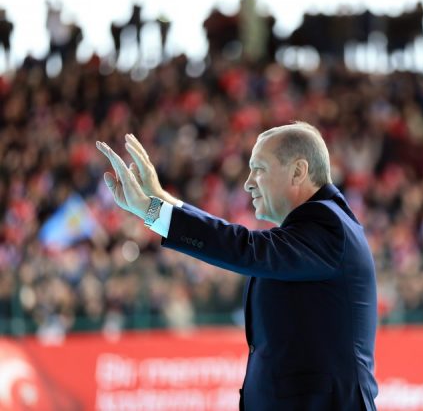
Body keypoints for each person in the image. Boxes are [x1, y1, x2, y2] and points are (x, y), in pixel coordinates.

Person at [96, 121, 378, 411]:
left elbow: (244, 248)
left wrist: (151, 210)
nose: (248, 182)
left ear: (298, 171)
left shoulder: (327, 224)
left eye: (260, 169)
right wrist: (159, 199)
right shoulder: (316, 227)